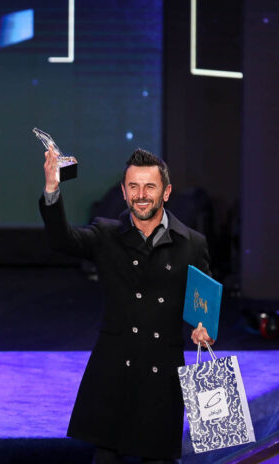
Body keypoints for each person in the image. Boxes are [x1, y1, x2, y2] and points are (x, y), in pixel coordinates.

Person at [39, 147, 214, 463]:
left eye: (150, 186)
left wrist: (204, 328)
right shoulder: (106, 234)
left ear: (166, 192)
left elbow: (204, 305)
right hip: (114, 372)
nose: (141, 195)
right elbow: (62, 241)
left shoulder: (191, 244)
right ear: (123, 191)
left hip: (163, 375)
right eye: (133, 186)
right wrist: (52, 188)